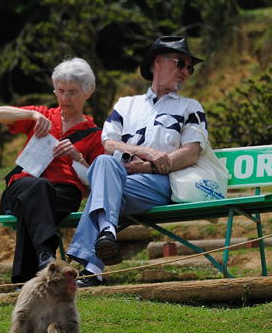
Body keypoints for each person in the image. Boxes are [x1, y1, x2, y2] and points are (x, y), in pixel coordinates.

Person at [66, 36, 207, 287]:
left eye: (190, 67)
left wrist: (151, 165)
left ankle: (96, 253)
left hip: (158, 183)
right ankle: (103, 245)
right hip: (118, 178)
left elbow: (191, 152)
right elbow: (109, 143)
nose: (186, 72)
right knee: (104, 163)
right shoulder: (126, 104)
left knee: (104, 187)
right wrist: (147, 152)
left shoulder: (190, 107)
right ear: (157, 63)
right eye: (181, 63)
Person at [0, 58, 104, 285]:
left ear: (88, 92)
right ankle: (45, 256)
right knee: (37, 188)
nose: (65, 98)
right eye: (60, 91)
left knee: (37, 202)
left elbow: (96, 181)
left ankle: (30, 275)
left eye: (72, 92)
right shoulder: (43, 115)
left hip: (64, 193)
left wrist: (77, 157)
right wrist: (29, 115)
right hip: (25, 184)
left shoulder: (95, 134)